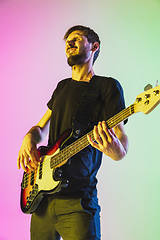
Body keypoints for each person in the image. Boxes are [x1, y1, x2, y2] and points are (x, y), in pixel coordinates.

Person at [17, 25, 129, 240]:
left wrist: (115, 150)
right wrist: (29, 137)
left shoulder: (107, 87)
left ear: (94, 46)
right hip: (41, 201)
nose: (69, 42)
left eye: (77, 38)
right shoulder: (62, 87)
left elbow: (121, 143)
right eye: (67, 40)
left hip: (77, 202)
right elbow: (41, 128)